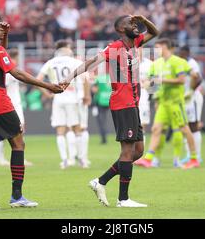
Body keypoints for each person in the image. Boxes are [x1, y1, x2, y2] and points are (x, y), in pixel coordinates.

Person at [60, 14, 159, 208]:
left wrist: (144, 19)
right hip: (123, 103)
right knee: (127, 151)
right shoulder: (114, 48)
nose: (135, 25)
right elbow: (90, 63)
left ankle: (101, 181)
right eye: (131, 23)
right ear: (121, 29)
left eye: (135, 22)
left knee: (138, 151)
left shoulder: (135, 43)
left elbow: (155, 32)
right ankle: (123, 199)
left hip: (133, 103)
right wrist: (70, 77)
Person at [0, 18, 63, 209]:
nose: (1, 28)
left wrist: (5, 35)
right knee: (18, 143)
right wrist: (48, 85)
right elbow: (17, 73)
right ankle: (17, 196)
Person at [134, 38, 200, 169]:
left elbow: (186, 79)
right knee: (156, 129)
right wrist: (146, 84)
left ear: (166, 47)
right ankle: (148, 159)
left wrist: (191, 91)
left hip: (176, 102)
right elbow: (151, 85)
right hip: (163, 102)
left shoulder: (178, 62)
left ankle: (193, 158)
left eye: (159, 47)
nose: (157, 50)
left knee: (184, 129)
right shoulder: (156, 64)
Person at [37, 40, 91, 169]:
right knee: (78, 129)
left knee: (60, 130)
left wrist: (46, 93)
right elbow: (86, 79)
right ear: (67, 49)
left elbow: (38, 80)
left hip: (58, 99)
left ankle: (65, 160)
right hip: (74, 99)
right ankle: (82, 159)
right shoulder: (75, 62)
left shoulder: (50, 62)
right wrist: (86, 95)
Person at [0, 49, 33, 167]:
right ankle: (1, 158)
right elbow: (3, 87)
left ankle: (18, 158)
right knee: (9, 131)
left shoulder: (10, 68)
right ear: (15, 57)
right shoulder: (8, 69)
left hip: (16, 104)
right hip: (9, 105)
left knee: (20, 130)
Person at [179, 45, 203, 164]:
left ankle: (197, 155)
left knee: (193, 126)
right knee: (186, 126)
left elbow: (199, 79)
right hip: (186, 98)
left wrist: (191, 91)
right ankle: (190, 154)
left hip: (193, 97)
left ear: (187, 53)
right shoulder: (183, 63)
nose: (180, 55)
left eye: (182, 53)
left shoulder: (192, 63)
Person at [92, 73, 111, 144]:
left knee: (101, 121)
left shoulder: (99, 78)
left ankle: (104, 138)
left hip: (101, 101)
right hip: (111, 99)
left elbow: (95, 90)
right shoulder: (112, 77)